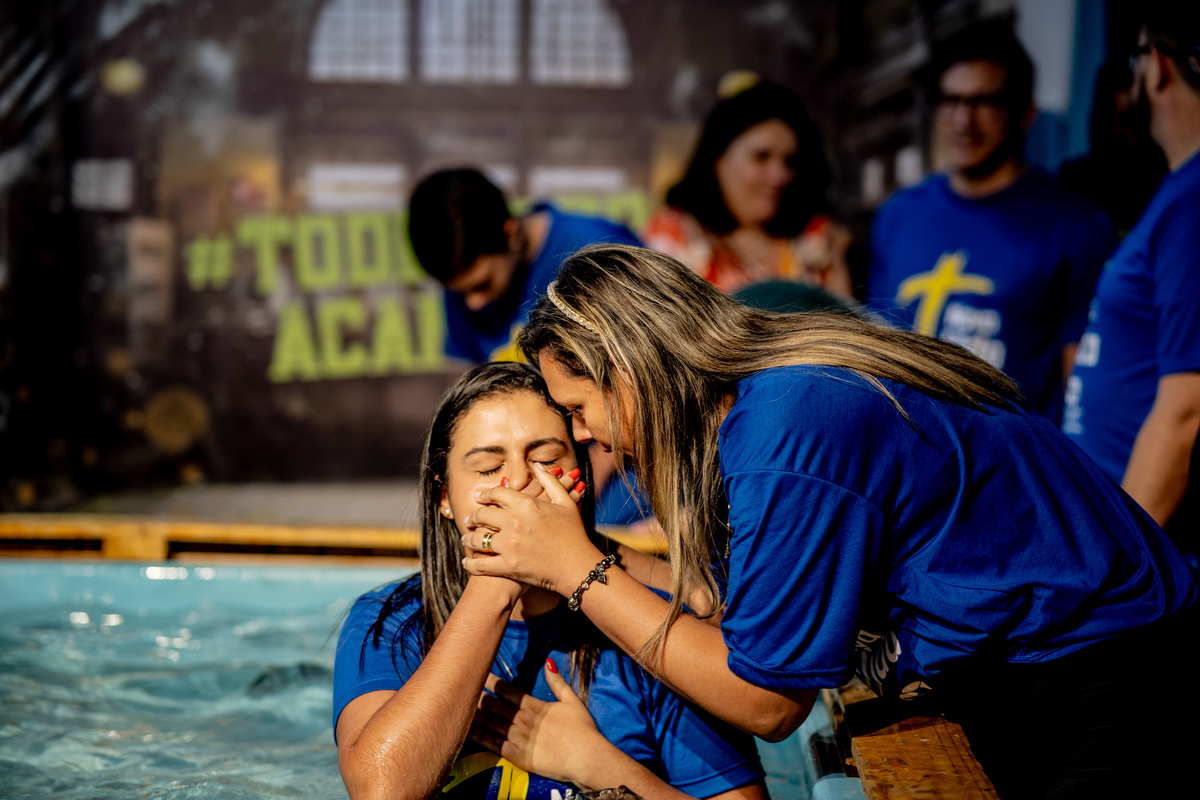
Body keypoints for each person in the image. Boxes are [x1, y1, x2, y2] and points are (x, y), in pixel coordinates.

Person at [458, 244, 1198, 800]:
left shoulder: (786, 432)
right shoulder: (780, 386)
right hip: (1077, 656)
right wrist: (594, 552)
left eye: (579, 412)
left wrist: (576, 572)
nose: (585, 438)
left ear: (630, 369)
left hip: (1109, 677)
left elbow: (768, 700)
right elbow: (738, 600)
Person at [333, 361, 765, 800]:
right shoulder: (391, 622)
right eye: (487, 468)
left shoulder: (650, 629)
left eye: (544, 459)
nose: (519, 481)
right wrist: (496, 581)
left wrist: (598, 765)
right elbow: (381, 790)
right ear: (445, 498)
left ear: (581, 478)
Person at [867, 19, 1118, 424]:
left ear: (1025, 113)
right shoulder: (898, 215)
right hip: (903, 460)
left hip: (1012, 470)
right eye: (950, 101)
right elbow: (876, 344)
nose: (963, 121)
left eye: (984, 102)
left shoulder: (1077, 227)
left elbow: (1084, 390)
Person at [408, 167, 647, 526]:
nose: (472, 304)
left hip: (629, 465)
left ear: (511, 232)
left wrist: (580, 487)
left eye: (483, 284)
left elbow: (643, 385)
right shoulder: (465, 274)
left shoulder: (594, 250)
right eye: (459, 292)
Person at [1063, 3, 1200, 555]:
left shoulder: (1194, 203)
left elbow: (1188, 406)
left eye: (1136, 58)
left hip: (1147, 556)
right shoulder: (1180, 193)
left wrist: (1114, 571)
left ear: (1159, 66)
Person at [643, 80, 854, 299]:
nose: (780, 176)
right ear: (718, 159)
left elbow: (846, 322)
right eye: (761, 157)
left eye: (789, 161)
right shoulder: (674, 235)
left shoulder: (817, 238)